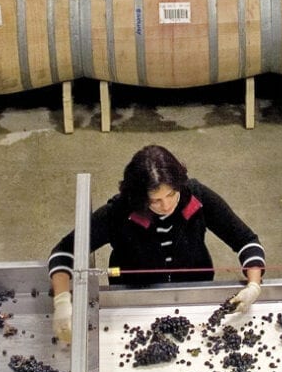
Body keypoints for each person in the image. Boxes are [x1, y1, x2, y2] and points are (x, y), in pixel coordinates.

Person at [47, 145, 266, 341]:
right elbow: (64, 251)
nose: (167, 205)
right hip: (134, 302)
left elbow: (246, 241)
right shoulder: (119, 212)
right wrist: (62, 300)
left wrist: (254, 285)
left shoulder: (197, 197)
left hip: (195, 295)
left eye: (172, 194)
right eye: (155, 200)